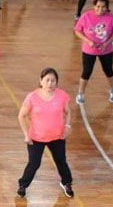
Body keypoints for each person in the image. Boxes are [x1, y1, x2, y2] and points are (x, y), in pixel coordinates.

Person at [17, 67, 73, 199]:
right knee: (34, 163)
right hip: (36, 138)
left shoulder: (61, 95)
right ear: (40, 81)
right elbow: (21, 116)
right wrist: (26, 134)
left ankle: (67, 183)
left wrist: (68, 126)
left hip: (57, 137)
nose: (50, 83)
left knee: (61, 161)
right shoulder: (32, 97)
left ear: (57, 82)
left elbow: (68, 111)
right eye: (47, 80)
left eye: (53, 80)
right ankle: (23, 185)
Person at [73, 0, 113, 104]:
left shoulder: (111, 18)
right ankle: (80, 93)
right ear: (94, 6)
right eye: (98, 6)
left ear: (107, 7)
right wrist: (88, 41)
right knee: (86, 72)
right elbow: (77, 31)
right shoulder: (86, 16)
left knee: (108, 70)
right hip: (89, 51)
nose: (100, 9)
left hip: (106, 50)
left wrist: (106, 43)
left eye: (103, 7)